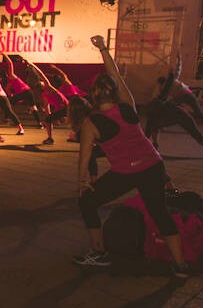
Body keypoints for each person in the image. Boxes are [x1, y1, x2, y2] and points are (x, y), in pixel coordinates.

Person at [75, 35, 189, 276]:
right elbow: (115, 75)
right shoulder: (128, 105)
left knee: (87, 202)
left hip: (125, 172)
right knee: (160, 213)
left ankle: (98, 253)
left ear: (92, 97)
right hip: (152, 165)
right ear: (114, 93)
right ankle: (180, 265)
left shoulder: (90, 123)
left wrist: (82, 182)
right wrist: (103, 49)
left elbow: (85, 157)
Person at [145, 60, 203, 159]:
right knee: (195, 133)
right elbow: (168, 85)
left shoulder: (153, 111)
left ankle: (155, 145)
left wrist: (145, 143)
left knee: (155, 126)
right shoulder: (160, 99)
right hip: (180, 114)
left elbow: (148, 131)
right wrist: (171, 73)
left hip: (175, 115)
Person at [25, 59, 69, 145]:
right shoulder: (46, 91)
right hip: (64, 108)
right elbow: (47, 110)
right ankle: (50, 138)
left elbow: (41, 75)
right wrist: (48, 119)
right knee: (48, 119)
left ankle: (50, 138)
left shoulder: (48, 89)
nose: (43, 82)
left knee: (50, 119)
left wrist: (32, 66)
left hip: (68, 107)